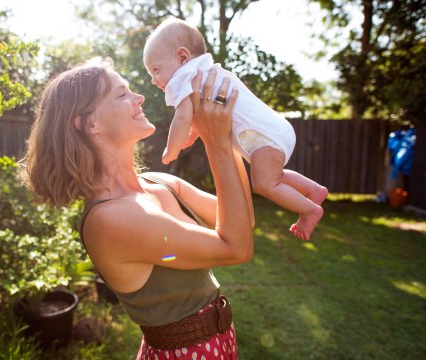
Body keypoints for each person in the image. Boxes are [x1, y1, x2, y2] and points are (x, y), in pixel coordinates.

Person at [23, 58, 254, 359]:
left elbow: (243, 219)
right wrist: (216, 142)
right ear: (88, 123)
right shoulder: (110, 219)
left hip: (218, 342)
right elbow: (237, 248)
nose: (140, 97)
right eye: (121, 94)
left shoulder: (159, 182)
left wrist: (226, 136)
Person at [143, 18, 329, 241]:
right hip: (272, 130)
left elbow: (183, 117)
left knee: (264, 183)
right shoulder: (206, 71)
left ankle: (309, 209)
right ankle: (314, 190)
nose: (154, 80)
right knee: (275, 176)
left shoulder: (185, 76)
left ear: (182, 57)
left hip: (262, 136)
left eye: (155, 70)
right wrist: (194, 133)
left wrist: (171, 149)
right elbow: (196, 116)